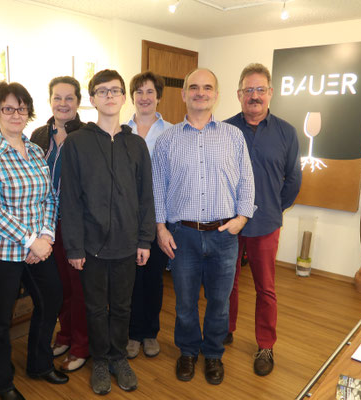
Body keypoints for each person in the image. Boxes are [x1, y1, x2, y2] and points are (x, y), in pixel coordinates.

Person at [152, 68, 255, 385]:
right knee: (184, 303)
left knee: (219, 303)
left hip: (224, 237)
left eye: (207, 87)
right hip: (182, 236)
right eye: (193, 87)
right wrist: (160, 228)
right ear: (183, 94)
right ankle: (187, 352)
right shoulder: (167, 139)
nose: (200, 92)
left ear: (216, 94)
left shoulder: (233, 136)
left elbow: (247, 184)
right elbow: (157, 187)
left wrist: (241, 219)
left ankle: (212, 355)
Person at [0, 81, 68, 400]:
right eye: (8, 108)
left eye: (21, 108)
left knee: (51, 299)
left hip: (38, 247)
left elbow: (49, 199)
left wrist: (46, 236)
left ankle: (39, 364)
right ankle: (2, 383)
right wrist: (30, 240)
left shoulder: (36, 150)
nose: (15, 114)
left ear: (28, 112)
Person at [60, 69, 155, 395]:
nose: (110, 96)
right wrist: (73, 247)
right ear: (92, 99)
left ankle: (118, 357)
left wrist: (145, 239)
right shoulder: (77, 144)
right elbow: (69, 200)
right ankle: (100, 360)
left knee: (123, 306)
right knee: (96, 307)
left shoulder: (136, 144)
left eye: (115, 91)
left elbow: (146, 197)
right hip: (91, 247)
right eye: (102, 91)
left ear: (123, 97)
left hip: (128, 245)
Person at [224, 63, 302, 376]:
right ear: (239, 95)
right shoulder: (224, 130)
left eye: (260, 90)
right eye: (248, 90)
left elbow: (293, 180)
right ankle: (223, 330)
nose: (254, 96)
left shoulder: (286, 132)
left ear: (270, 93)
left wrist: (272, 208)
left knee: (265, 288)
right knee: (226, 284)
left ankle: (265, 345)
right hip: (229, 224)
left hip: (265, 225)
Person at [30, 76, 89, 372]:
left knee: (79, 289)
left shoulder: (89, 135)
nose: (63, 103)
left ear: (78, 102)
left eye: (69, 98)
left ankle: (81, 344)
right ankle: (64, 334)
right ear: (50, 100)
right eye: (57, 97)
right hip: (45, 225)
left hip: (76, 224)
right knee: (58, 287)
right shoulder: (39, 135)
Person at [126, 71, 172, 359]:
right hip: (125, 218)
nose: (144, 98)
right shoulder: (120, 131)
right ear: (132, 97)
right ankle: (132, 333)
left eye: (150, 92)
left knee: (154, 278)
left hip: (158, 217)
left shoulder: (172, 132)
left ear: (158, 96)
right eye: (139, 92)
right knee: (129, 279)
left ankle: (149, 332)